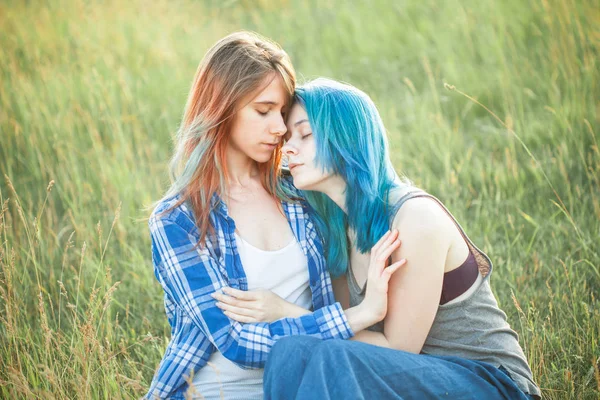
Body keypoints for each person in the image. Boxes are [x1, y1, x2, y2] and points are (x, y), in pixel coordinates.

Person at [219, 78, 542, 399]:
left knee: (330, 356)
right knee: (289, 353)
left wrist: (284, 311)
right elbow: (347, 333)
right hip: (407, 381)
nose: (288, 148)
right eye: (288, 138)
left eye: (305, 134)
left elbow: (399, 349)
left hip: (491, 384)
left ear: (346, 139)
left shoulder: (415, 219)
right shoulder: (337, 232)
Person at [145, 34, 404, 400]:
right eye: (263, 111)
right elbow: (238, 342)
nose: (281, 128)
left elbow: (366, 193)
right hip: (212, 391)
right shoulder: (178, 219)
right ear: (222, 108)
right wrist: (357, 318)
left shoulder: (299, 189)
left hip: (311, 383)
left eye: (282, 113)